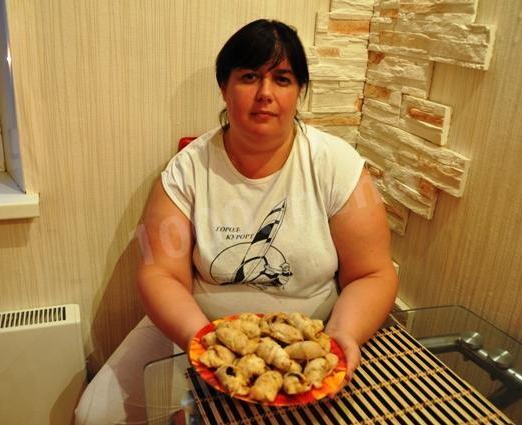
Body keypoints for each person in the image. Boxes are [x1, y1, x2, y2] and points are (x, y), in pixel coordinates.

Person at [75, 19, 398, 424]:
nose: (265, 93)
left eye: (282, 79)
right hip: (198, 328)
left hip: (311, 337)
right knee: (94, 415)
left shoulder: (337, 166)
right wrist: (203, 343)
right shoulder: (186, 170)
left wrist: (343, 334)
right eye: (249, 77)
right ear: (224, 88)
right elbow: (159, 273)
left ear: (299, 91)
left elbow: (373, 273)